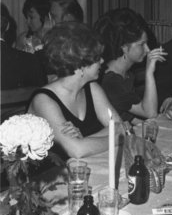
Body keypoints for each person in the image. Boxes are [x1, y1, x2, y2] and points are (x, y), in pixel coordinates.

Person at [27, 22, 122, 160]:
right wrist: (116, 139)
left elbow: (119, 126)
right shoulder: (44, 100)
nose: (102, 61)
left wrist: (84, 140)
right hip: (49, 174)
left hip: (80, 167)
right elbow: (77, 150)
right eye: (96, 58)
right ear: (80, 64)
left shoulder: (92, 88)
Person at [94, 8, 166, 122]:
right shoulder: (111, 81)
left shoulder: (125, 73)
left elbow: (129, 115)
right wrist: (149, 72)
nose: (147, 50)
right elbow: (150, 112)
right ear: (124, 47)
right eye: (142, 44)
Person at [1, 3, 47, 89]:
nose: (27, 22)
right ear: (7, 26)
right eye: (27, 18)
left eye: (31, 17)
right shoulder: (24, 42)